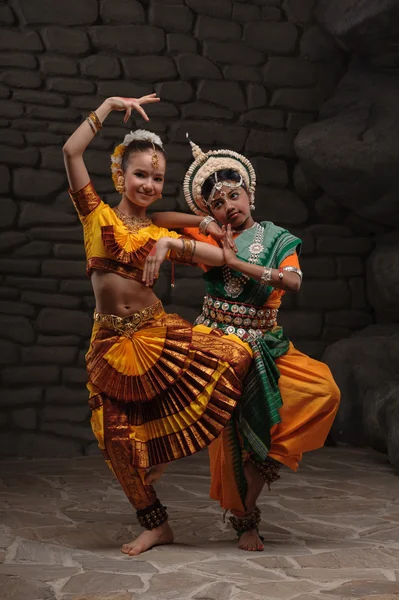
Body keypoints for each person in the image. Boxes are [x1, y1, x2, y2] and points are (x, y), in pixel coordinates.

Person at [62, 96, 254, 556]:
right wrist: (108, 106)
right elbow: (71, 152)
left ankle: (166, 460)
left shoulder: (156, 233)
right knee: (113, 437)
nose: (149, 184)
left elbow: (225, 255)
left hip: (156, 333)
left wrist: (173, 240)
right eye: (140, 175)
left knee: (236, 355)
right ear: (120, 176)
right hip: (109, 342)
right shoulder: (96, 216)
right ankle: (156, 525)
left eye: (157, 178)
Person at [146, 138, 341, 552]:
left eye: (234, 195)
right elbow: (155, 217)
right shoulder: (213, 239)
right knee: (226, 434)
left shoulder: (277, 237)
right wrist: (204, 226)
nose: (228, 206)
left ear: (249, 193)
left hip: (264, 346)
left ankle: (254, 488)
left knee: (321, 393)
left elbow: (293, 282)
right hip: (215, 343)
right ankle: (242, 521)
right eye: (217, 203)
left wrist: (236, 263)